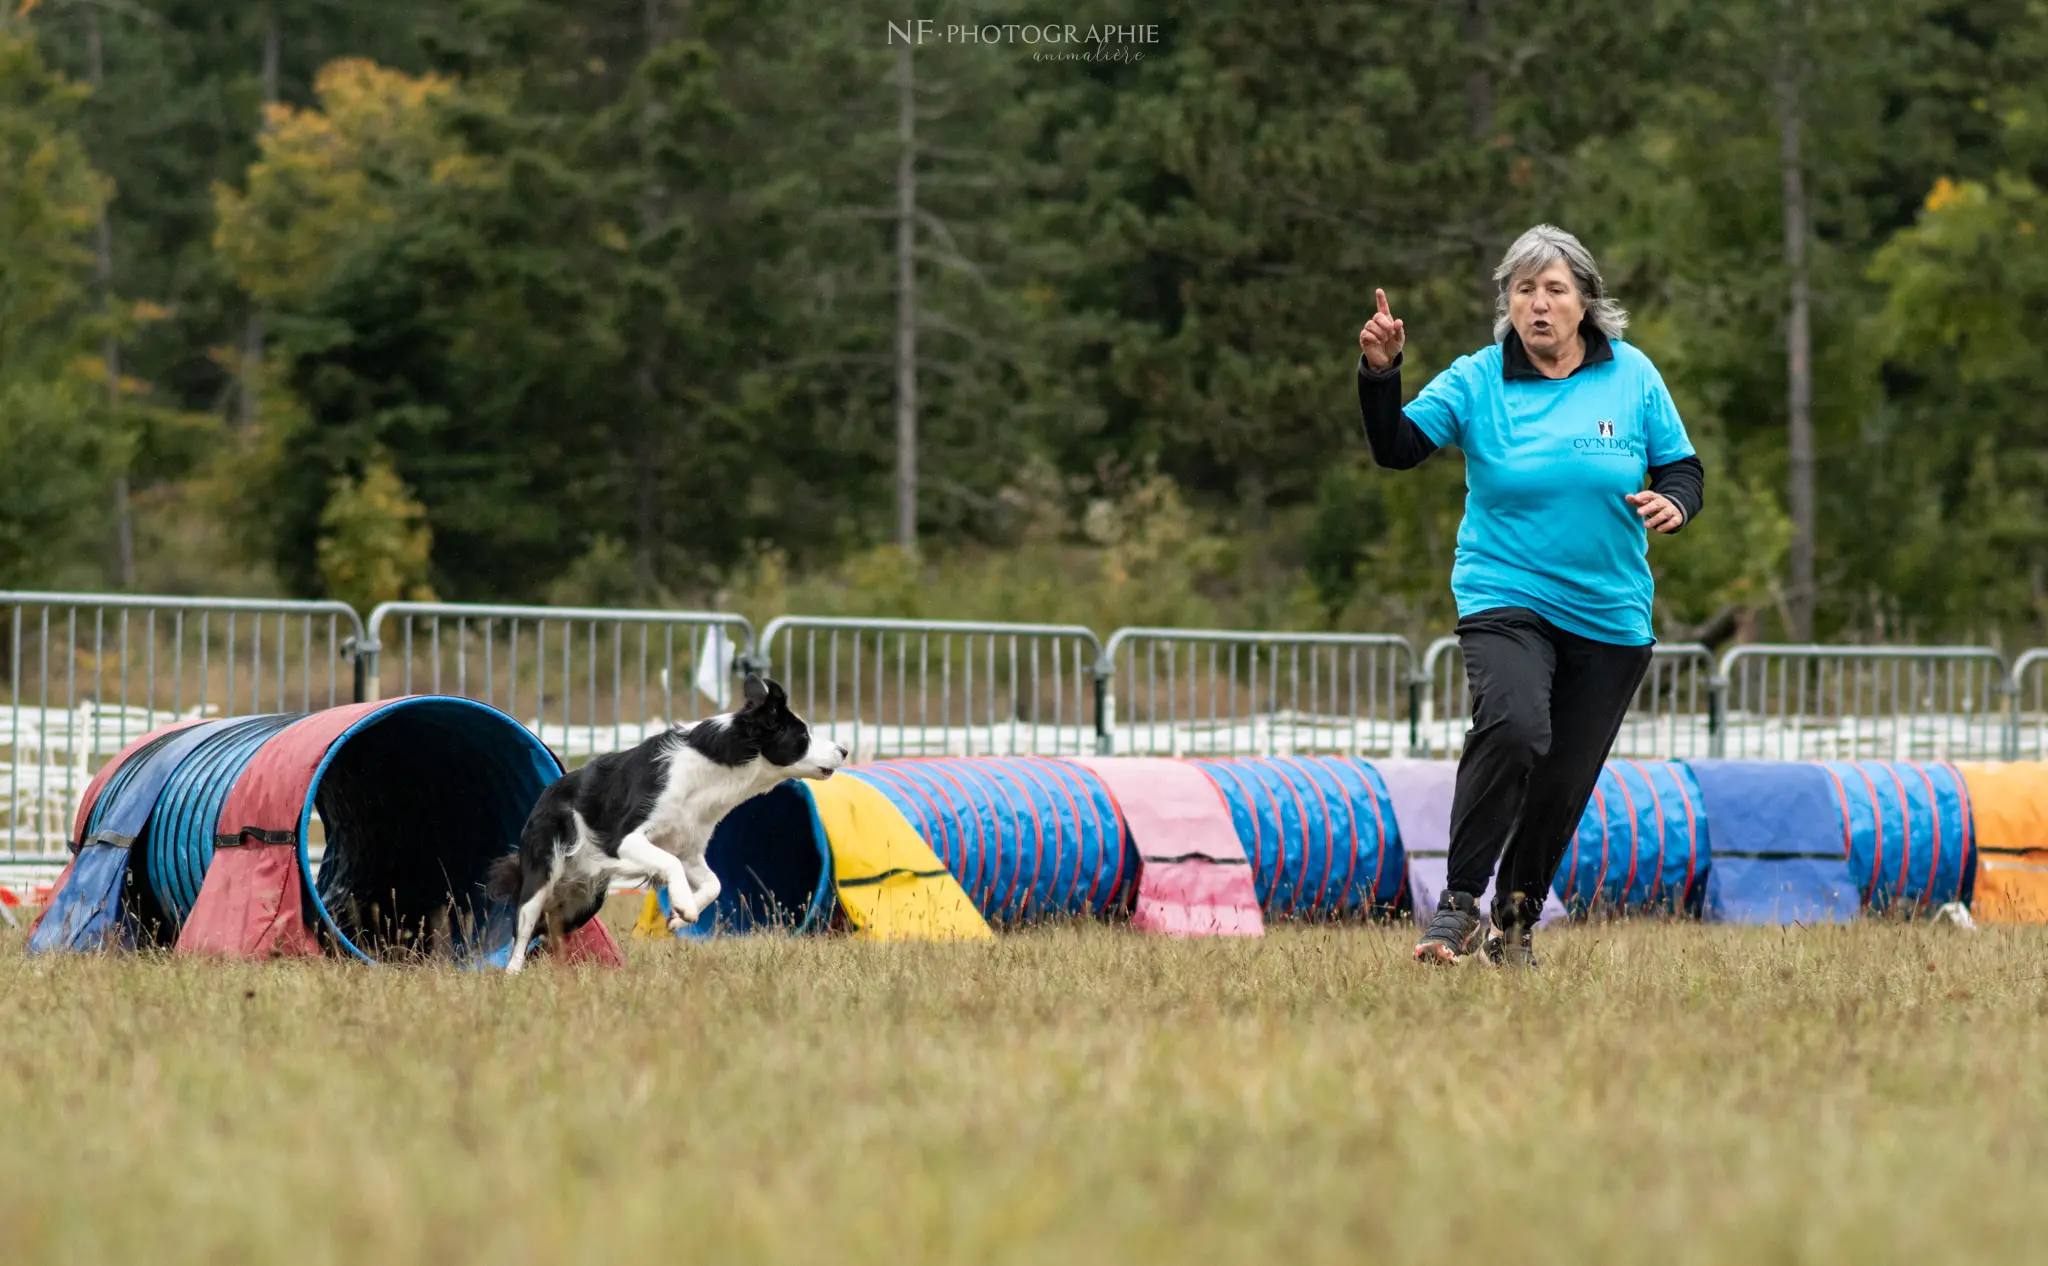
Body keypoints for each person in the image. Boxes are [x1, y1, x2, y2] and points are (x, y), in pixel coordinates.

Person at [1356, 224, 1703, 968]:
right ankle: (1456, 907)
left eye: (1554, 289)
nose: (1538, 304)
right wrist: (1380, 374)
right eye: (1523, 290)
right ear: (1507, 304)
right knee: (1513, 727)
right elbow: (1397, 449)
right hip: (1504, 590)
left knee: (1562, 784)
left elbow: (1682, 467)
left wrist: (1676, 502)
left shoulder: (1632, 375)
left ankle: (1513, 926)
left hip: (1610, 615)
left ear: (1586, 303)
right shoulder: (1479, 379)